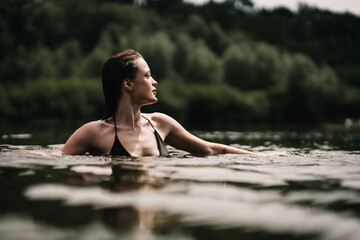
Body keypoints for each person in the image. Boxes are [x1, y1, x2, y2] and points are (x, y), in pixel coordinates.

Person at [61, 50, 255, 157]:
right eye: (147, 76)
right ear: (128, 84)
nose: (154, 81)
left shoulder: (161, 124)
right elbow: (57, 159)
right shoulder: (93, 132)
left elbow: (211, 149)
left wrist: (266, 159)